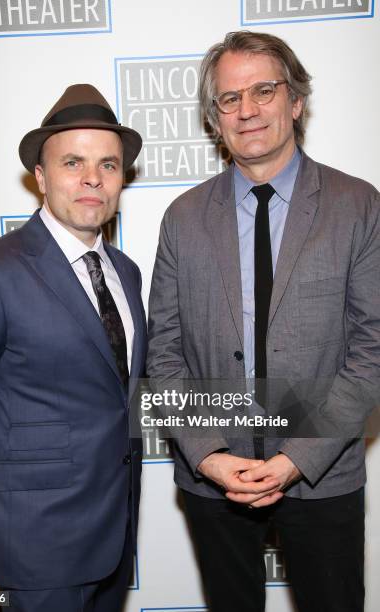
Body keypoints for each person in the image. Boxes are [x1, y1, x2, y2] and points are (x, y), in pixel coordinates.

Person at [147, 31, 380, 612]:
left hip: (322, 472)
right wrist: (206, 454)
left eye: (264, 91)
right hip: (212, 476)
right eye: (229, 99)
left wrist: (295, 459)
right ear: (214, 117)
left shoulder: (358, 206)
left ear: (295, 101)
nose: (247, 110)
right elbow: (164, 353)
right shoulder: (182, 218)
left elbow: (372, 348)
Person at [0, 84, 147, 612]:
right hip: (37, 533)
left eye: (108, 165)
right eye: (72, 162)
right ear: (40, 177)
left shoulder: (125, 272)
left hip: (116, 524)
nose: (91, 179)